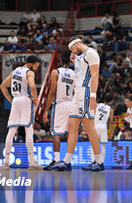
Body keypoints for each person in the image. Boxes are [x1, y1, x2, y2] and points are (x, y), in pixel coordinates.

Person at [53, 34, 103, 171]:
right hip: (77, 93)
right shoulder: (80, 56)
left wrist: (93, 96)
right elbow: (81, 73)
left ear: (76, 44)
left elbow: (94, 75)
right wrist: (75, 61)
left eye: (73, 50)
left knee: (89, 127)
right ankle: (67, 161)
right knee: (72, 126)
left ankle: (98, 161)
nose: (72, 52)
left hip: (86, 93)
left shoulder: (91, 53)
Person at [0, 55, 42, 169]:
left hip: (15, 101)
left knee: (12, 130)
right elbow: (32, 87)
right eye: (36, 66)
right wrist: (36, 99)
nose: (36, 69)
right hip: (25, 100)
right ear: (31, 63)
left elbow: (3, 86)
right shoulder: (29, 73)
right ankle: (32, 161)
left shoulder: (14, 71)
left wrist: (10, 99)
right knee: (29, 130)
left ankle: (6, 162)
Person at [42, 51, 74, 171]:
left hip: (60, 104)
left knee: (55, 132)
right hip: (71, 104)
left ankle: (56, 160)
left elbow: (52, 92)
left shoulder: (56, 72)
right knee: (71, 133)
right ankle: (67, 161)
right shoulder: (73, 73)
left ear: (60, 60)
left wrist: (46, 110)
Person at [91, 94, 114, 167]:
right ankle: (101, 163)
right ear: (111, 101)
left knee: (94, 145)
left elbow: (92, 114)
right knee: (103, 146)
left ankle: (93, 162)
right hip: (103, 127)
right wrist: (111, 132)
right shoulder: (111, 109)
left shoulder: (98, 105)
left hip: (95, 126)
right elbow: (111, 121)